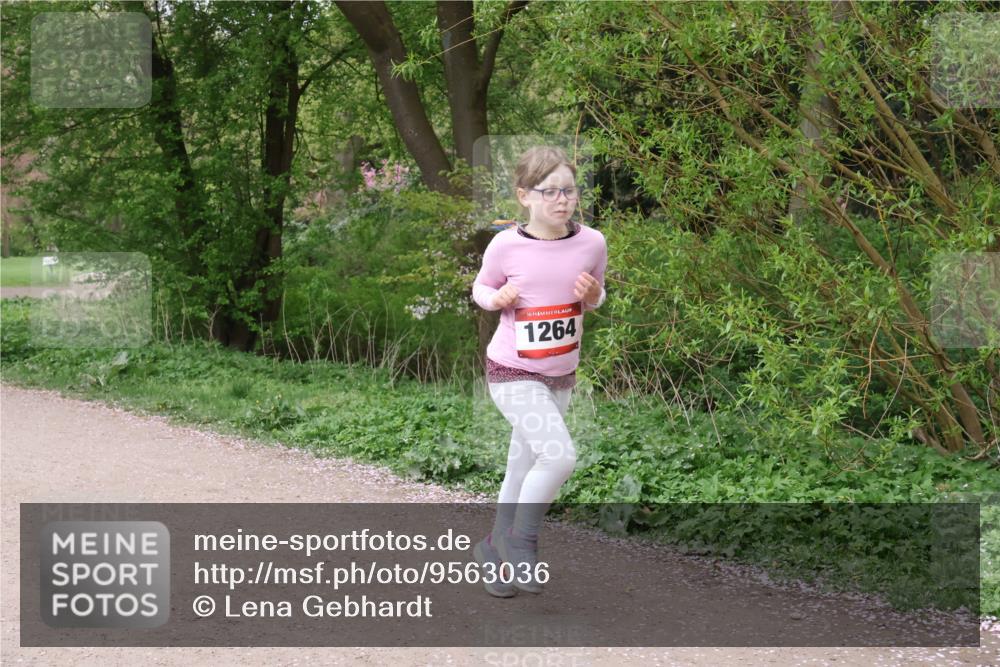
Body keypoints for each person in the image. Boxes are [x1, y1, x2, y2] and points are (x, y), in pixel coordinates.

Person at [470, 145, 608, 597]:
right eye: (550, 191)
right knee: (559, 456)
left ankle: (491, 549)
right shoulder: (506, 244)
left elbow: (597, 295)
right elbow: (481, 288)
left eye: (569, 190)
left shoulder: (592, 242)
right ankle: (520, 544)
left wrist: (592, 297)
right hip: (512, 371)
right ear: (524, 196)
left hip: (561, 374)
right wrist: (497, 300)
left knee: (522, 465)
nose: (562, 200)